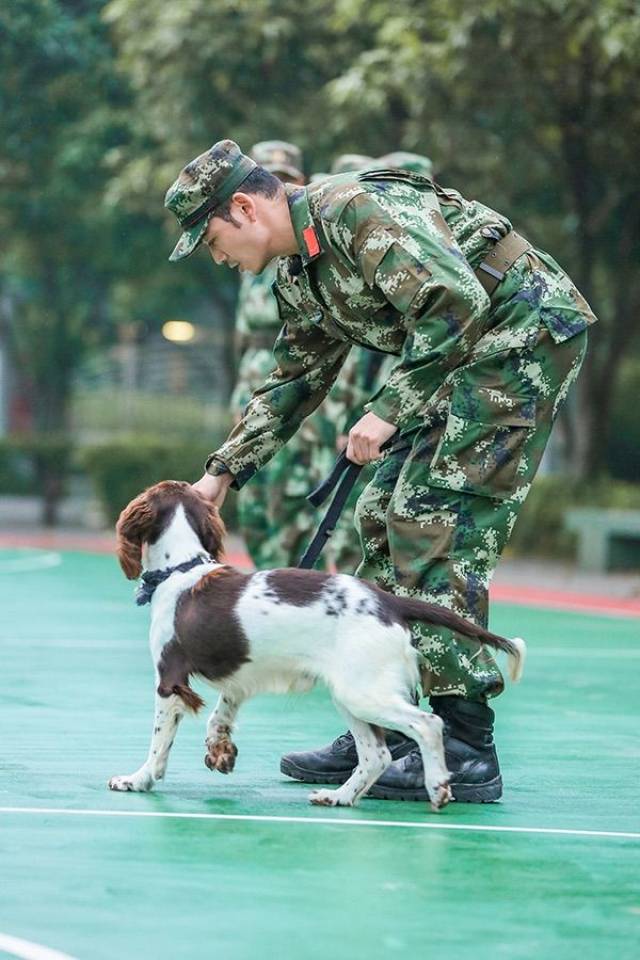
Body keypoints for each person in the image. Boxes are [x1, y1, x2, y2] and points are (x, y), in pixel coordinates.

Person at [164, 138, 597, 802]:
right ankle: (380, 721)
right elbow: (292, 382)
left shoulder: (355, 211)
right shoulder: (299, 273)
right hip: (463, 353)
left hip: (520, 337)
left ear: (245, 208)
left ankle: (467, 746)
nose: (218, 259)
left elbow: (456, 302)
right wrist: (221, 473)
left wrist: (389, 410)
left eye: (212, 241)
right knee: (376, 512)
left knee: (432, 519)